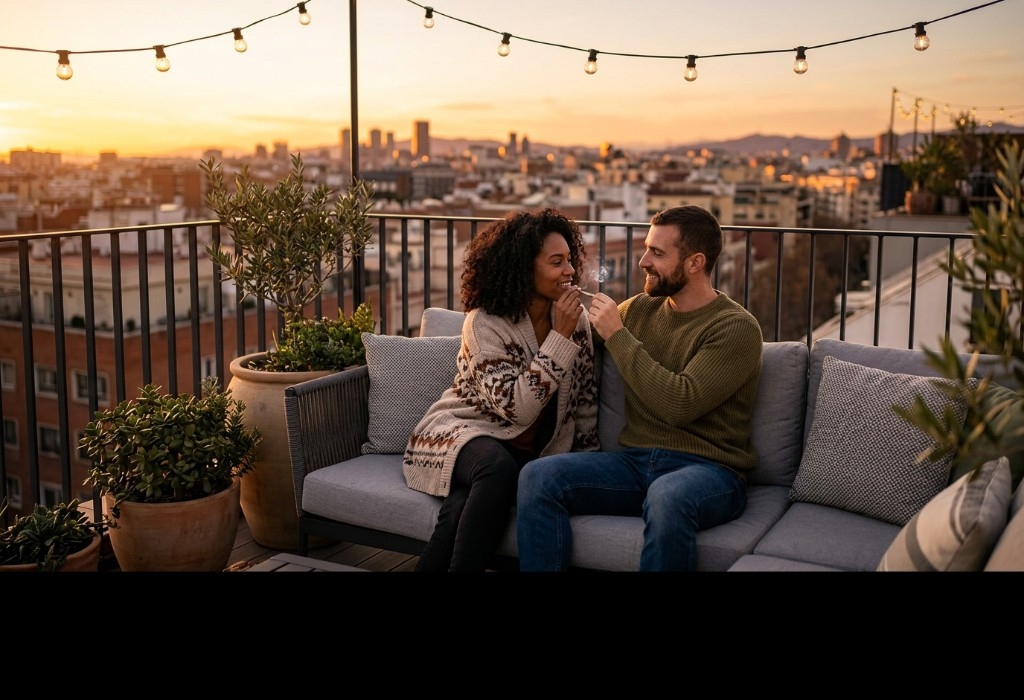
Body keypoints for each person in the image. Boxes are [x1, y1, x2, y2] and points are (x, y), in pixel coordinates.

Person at [516, 205, 763, 571]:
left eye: (657, 253)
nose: (643, 261)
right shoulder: (641, 309)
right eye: (647, 248)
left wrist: (617, 334)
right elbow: (576, 347)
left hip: (710, 471)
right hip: (633, 464)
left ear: (695, 263)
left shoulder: (736, 328)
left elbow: (680, 402)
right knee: (538, 476)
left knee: (668, 495)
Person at [403, 207, 599, 572]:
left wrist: (586, 460)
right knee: (497, 469)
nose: (570, 271)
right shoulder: (485, 324)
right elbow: (516, 409)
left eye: (570, 260)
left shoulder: (577, 321)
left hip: (521, 455)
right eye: (556, 262)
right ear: (525, 268)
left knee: (462, 506)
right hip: (459, 433)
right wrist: (559, 338)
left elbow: (583, 400)